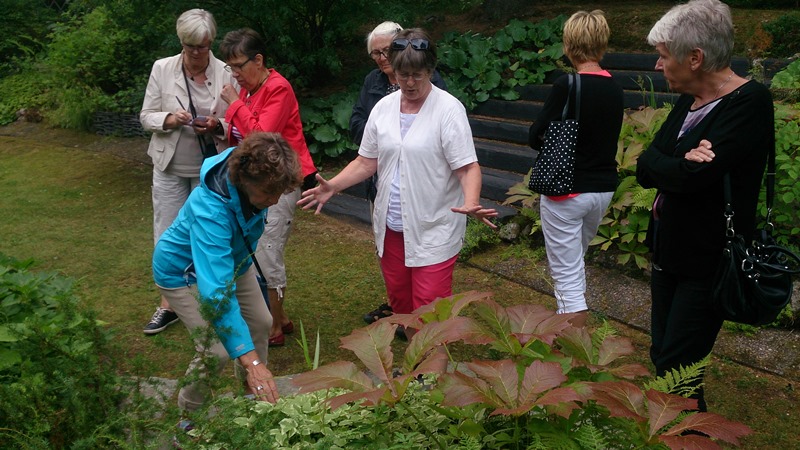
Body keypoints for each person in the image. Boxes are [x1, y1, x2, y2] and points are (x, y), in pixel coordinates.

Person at [299, 28, 498, 340]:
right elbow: (367, 161)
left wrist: (471, 200)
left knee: (430, 306)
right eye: (403, 74)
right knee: (401, 301)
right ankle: (417, 365)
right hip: (391, 227)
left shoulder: (448, 110)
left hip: (434, 225)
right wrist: (333, 186)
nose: (409, 83)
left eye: (417, 75)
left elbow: (467, 167)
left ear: (430, 70)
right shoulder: (383, 109)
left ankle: (431, 372)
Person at [635, 0, 774, 412]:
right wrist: (676, 163)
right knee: (664, 355)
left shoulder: (749, 103)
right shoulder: (689, 100)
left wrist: (672, 166)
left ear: (694, 58)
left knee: (679, 364)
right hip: (669, 250)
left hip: (708, 261)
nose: (659, 67)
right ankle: (685, 430)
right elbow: (646, 166)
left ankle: (686, 433)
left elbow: (694, 178)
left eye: (663, 56)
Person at [153, 132, 301, 415]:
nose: (273, 201)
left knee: (261, 321)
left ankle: (250, 397)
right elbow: (216, 293)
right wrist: (253, 363)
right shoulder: (210, 210)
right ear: (244, 183)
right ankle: (189, 416)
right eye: (269, 194)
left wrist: (251, 362)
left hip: (231, 263)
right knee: (215, 349)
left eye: (278, 194)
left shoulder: (253, 172)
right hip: (182, 273)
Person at [218, 28, 319, 347]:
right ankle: (281, 318)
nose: (234, 75)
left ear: (258, 60)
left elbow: (263, 138)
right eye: (230, 68)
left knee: (267, 248)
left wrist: (234, 105)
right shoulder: (251, 89)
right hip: (263, 181)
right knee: (258, 246)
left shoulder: (278, 88)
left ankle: (273, 326)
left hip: (283, 180)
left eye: (238, 67)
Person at [140, 9, 237, 335]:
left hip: (209, 170)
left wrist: (216, 125)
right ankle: (168, 305)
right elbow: (146, 116)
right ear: (182, 42)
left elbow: (236, 119)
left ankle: (207, 301)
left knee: (208, 234)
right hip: (169, 166)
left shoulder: (225, 72)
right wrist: (169, 119)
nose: (197, 53)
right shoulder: (162, 68)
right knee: (167, 233)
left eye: (204, 46)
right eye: (191, 46)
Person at [527, 10, 623, 328]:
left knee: (567, 276)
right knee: (574, 263)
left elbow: (536, 134)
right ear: (602, 44)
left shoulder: (567, 84)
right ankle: (566, 330)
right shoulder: (615, 87)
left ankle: (573, 353)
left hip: (566, 191)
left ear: (569, 45)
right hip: (603, 189)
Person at [349, 21, 449, 325]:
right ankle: (402, 313)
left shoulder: (438, 93)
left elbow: (448, 148)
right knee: (396, 270)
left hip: (425, 201)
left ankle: (423, 334)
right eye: (375, 54)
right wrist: (384, 135)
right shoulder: (374, 84)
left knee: (427, 285)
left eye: (385, 52)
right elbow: (358, 126)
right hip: (383, 187)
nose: (381, 59)